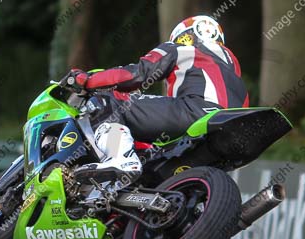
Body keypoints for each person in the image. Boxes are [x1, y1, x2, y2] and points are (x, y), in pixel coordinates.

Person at [64, 15, 248, 189]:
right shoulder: (234, 69)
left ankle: (120, 158)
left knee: (107, 101)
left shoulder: (180, 48)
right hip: (233, 131)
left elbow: (136, 75)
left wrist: (88, 80)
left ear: (184, 36)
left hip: (193, 113)